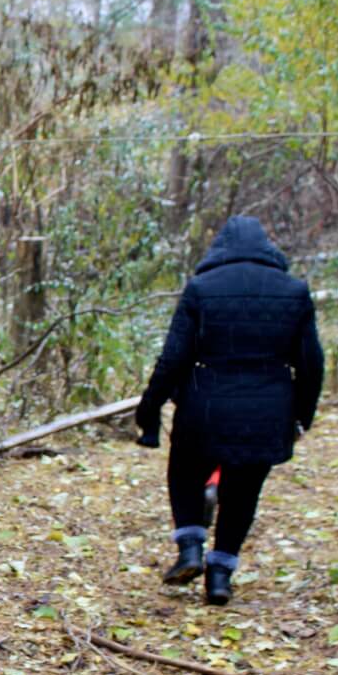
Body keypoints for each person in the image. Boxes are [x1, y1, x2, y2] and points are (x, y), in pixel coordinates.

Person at [136, 215, 325, 605]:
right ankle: (220, 575)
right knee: (243, 491)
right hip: (268, 410)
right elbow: (311, 363)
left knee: (185, 473)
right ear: (267, 247)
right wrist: (302, 416)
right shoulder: (295, 291)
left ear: (220, 248)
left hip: (204, 405)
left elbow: (173, 357)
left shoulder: (201, 289)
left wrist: (149, 408)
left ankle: (190, 547)